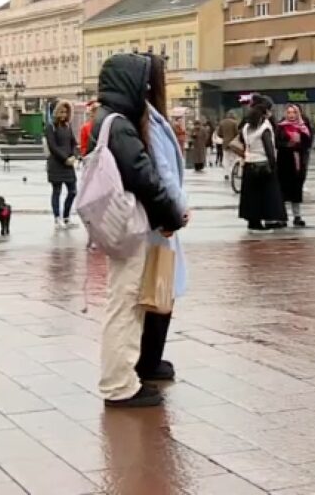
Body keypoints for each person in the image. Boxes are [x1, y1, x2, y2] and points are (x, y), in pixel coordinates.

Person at [89, 53, 186, 408]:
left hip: (117, 225)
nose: (146, 87)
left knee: (124, 301)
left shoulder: (106, 119)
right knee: (125, 305)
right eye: (142, 80)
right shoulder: (119, 125)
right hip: (129, 226)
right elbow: (144, 176)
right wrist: (171, 215)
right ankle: (119, 385)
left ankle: (123, 377)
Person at [137, 54, 188, 385]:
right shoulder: (149, 121)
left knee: (159, 282)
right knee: (160, 285)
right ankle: (149, 360)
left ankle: (151, 358)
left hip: (156, 215)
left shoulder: (149, 118)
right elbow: (164, 171)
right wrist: (179, 207)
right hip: (161, 216)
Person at [238, 95, 286, 231]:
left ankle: (253, 221)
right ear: (265, 112)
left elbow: (241, 139)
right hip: (263, 164)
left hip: (249, 163)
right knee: (268, 195)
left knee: (251, 195)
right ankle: (270, 219)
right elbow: (269, 147)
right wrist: (273, 164)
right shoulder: (264, 127)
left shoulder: (246, 126)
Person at [276, 105, 312, 227]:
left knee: (296, 189)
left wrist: (299, 143)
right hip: (283, 161)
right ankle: (282, 217)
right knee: (283, 189)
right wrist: (288, 144)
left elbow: (308, 144)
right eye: (289, 112)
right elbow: (276, 142)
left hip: (297, 161)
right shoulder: (280, 127)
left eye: (294, 112)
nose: (291, 115)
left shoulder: (303, 127)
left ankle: (297, 216)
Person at [45, 100, 79, 229]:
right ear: (56, 112)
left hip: (68, 164)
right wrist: (65, 158)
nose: (64, 115)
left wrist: (74, 155)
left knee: (73, 191)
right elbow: (52, 146)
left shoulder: (68, 126)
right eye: (62, 112)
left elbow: (74, 143)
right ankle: (57, 218)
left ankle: (66, 217)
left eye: (66, 112)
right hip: (56, 164)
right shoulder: (51, 127)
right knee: (57, 191)